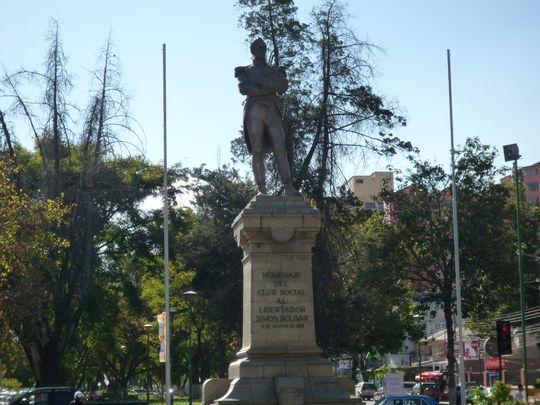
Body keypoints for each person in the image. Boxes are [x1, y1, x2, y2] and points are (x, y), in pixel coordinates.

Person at [235, 37, 299, 196]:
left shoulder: (274, 70)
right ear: (252, 50)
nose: (262, 51)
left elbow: (283, 86)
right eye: (258, 48)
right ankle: (261, 188)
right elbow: (244, 88)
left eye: (264, 48)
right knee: (257, 150)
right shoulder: (245, 71)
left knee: (280, 148)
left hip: (272, 109)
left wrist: (260, 85)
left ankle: (288, 186)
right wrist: (269, 86)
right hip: (254, 110)